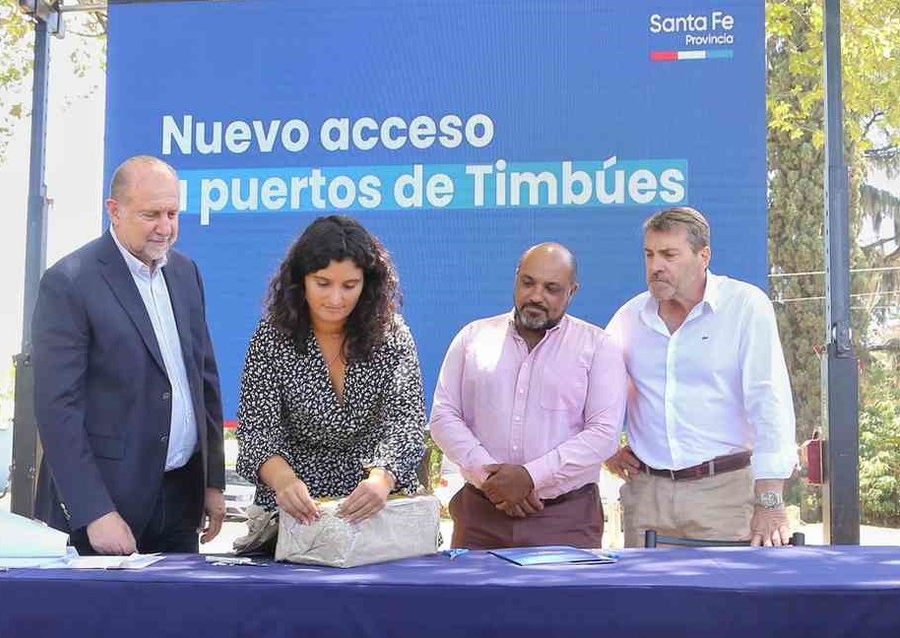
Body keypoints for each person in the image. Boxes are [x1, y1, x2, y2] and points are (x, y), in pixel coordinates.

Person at [31, 155, 226, 555]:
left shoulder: (186, 274)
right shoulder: (69, 282)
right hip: (105, 512)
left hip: (181, 504)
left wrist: (212, 482)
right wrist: (94, 511)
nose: (165, 227)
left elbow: (203, 381)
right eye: (151, 214)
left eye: (172, 213)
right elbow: (57, 409)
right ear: (115, 211)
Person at [605, 207, 798, 547]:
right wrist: (606, 448)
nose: (655, 266)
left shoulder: (745, 306)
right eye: (649, 254)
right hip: (647, 496)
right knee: (644, 586)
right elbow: (594, 387)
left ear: (703, 256)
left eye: (669, 255)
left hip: (724, 495)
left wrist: (770, 500)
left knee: (726, 586)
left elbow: (769, 401)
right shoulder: (630, 317)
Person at [235, 215, 426, 531]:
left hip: (378, 509)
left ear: (367, 284)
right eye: (323, 283)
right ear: (301, 280)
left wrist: (383, 478)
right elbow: (257, 430)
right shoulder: (271, 337)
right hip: (296, 511)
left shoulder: (392, 336)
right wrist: (283, 480)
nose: (336, 299)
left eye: (350, 286)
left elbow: (407, 423)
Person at [429, 243, 626, 549]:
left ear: (571, 292)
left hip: (565, 517)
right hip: (481, 515)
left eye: (551, 288)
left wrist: (530, 477)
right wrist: (493, 481)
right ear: (516, 278)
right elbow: (443, 417)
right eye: (528, 283)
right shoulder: (473, 338)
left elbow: (604, 434)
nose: (536, 296)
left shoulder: (598, 347)